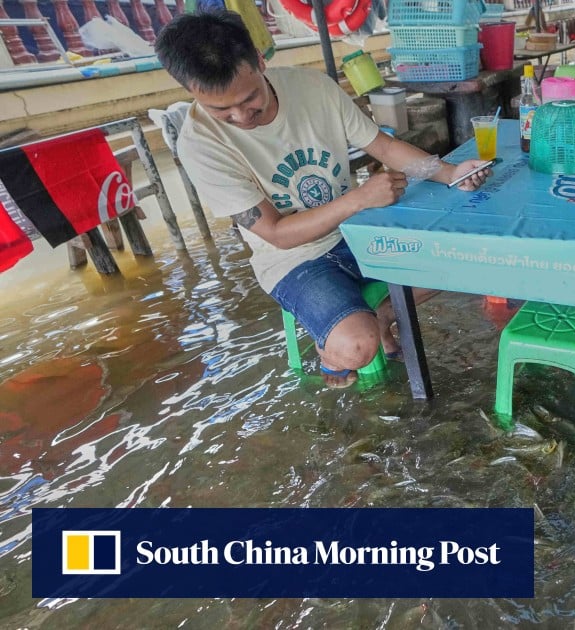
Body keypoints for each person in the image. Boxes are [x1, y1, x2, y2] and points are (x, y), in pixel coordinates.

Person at [155, 11, 491, 389]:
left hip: (353, 232)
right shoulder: (200, 145)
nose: (240, 116)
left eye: (251, 99)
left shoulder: (314, 88)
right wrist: (360, 199)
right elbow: (278, 234)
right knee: (356, 348)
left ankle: (380, 316)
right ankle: (338, 349)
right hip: (293, 260)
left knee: (458, 259)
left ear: (261, 61)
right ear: (191, 90)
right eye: (221, 110)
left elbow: (381, 145)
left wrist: (450, 173)